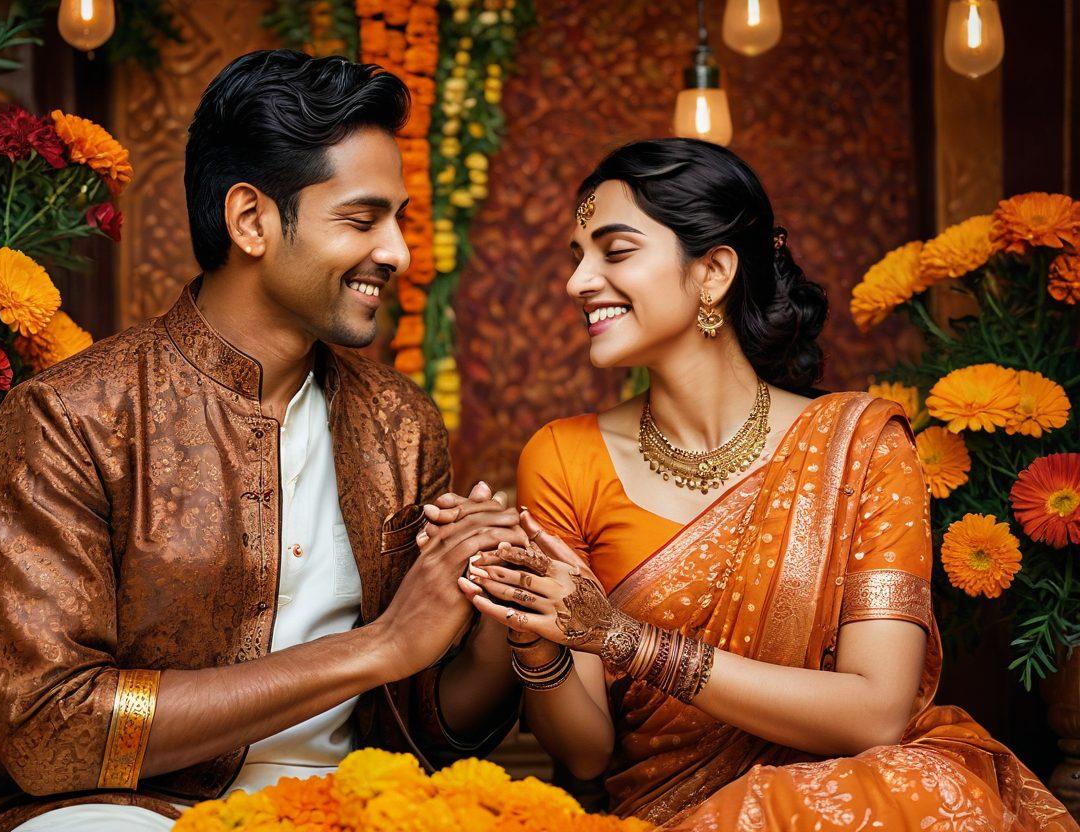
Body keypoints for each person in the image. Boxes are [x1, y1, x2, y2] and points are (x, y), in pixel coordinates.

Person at [0, 50, 522, 832]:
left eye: (399, 220)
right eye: (363, 220)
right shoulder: (73, 417)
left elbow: (422, 725)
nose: (398, 252)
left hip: (351, 808)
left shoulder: (401, 424)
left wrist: (500, 615)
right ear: (252, 220)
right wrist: (379, 646)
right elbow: (50, 728)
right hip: (128, 812)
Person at [458, 138, 1077, 830]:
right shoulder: (562, 457)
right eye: (577, 257)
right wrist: (526, 615)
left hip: (856, 804)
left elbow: (878, 712)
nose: (577, 282)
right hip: (670, 815)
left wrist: (628, 640)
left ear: (714, 271)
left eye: (615, 250)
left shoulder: (862, 447)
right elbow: (585, 753)